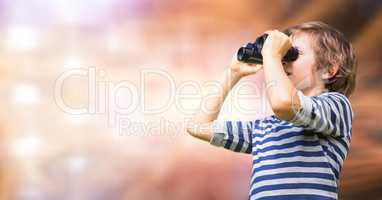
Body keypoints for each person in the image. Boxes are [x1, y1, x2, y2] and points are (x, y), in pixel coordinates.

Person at [186, 21, 357, 200]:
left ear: (330, 69)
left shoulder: (337, 106)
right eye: (282, 54)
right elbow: (197, 127)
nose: (282, 61)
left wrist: (271, 55)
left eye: (293, 53)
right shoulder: (265, 128)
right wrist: (232, 73)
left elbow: (285, 104)